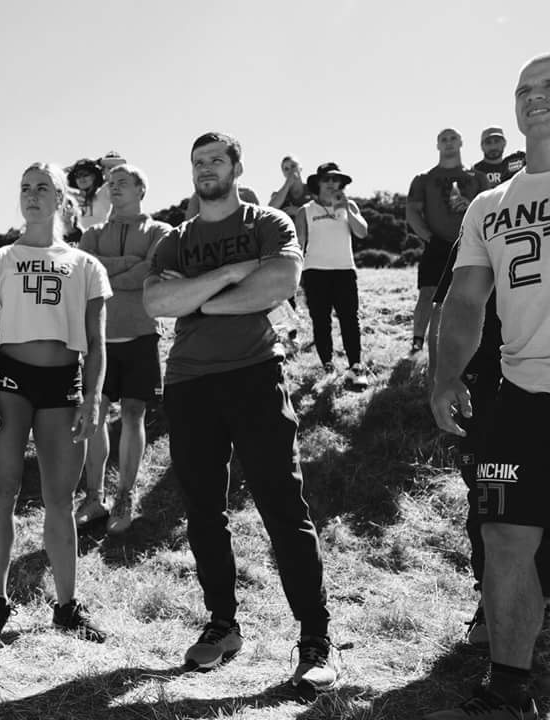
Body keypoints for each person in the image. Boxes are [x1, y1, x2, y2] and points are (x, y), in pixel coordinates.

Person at [143, 132, 335, 692]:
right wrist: (231, 276)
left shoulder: (268, 223)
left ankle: (316, 637)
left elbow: (281, 282)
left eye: (216, 160)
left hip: (254, 374)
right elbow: (157, 303)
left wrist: (196, 297)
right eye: (198, 162)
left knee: (282, 505)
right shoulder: (174, 241)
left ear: (236, 166)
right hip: (188, 383)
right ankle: (223, 625)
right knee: (204, 513)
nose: (206, 169)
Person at [427, 53, 550, 720]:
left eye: (549, 87)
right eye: (524, 90)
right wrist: (446, 376)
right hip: (519, 399)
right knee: (504, 540)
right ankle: (508, 691)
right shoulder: (489, 204)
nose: (535, 98)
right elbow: (467, 302)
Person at [0, 161, 110, 644]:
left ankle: (67, 606)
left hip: (63, 383)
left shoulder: (87, 265)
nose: (32, 195)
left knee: (59, 500)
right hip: (10, 380)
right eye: (25, 187)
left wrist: (92, 400)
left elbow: (96, 341)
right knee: (1, 490)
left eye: (42, 187)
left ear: (61, 199)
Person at [77, 164, 170, 533]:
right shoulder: (92, 233)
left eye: (122, 183)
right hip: (97, 338)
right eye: (110, 183)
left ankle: (124, 496)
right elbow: (84, 272)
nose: (114, 187)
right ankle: (93, 497)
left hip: (141, 335)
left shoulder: (160, 231)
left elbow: (150, 272)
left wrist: (110, 271)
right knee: (95, 416)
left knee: (133, 415)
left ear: (141, 190)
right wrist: (127, 264)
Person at [406, 128, 490, 354]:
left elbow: (488, 210)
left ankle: (465, 344)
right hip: (437, 244)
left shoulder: (476, 177)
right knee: (428, 294)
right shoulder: (424, 178)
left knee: (469, 296)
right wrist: (429, 238)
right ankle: (417, 342)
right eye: (443, 139)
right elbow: (412, 212)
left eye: (453, 138)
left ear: (461, 142)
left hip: (470, 244)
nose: (449, 143)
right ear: (437, 145)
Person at [295, 163, 369, 388]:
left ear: (340, 184)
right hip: (315, 272)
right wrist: (295, 276)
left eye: (335, 180)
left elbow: (362, 232)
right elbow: (299, 243)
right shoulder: (305, 210)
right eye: (326, 179)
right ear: (317, 183)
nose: (330, 183)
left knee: (349, 319)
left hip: (344, 270)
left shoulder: (350, 206)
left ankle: (355, 366)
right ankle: (328, 365)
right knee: (321, 320)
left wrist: (347, 208)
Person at [67, 158, 110, 229]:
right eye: (77, 176)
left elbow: (121, 163)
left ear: (94, 176)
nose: (81, 178)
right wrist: (71, 168)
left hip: (99, 238)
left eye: (85, 174)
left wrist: (96, 162)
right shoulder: (71, 200)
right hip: (76, 239)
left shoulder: (102, 194)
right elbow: (53, 179)